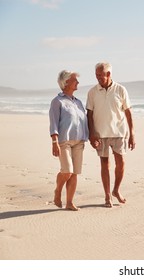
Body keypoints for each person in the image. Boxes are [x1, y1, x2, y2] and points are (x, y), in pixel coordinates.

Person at [86, 62, 135, 208]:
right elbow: (89, 114)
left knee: (121, 163)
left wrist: (132, 134)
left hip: (119, 132)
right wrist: (92, 134)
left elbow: (128, 112)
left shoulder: (121, 90)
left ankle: (116, 190)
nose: (98, 78)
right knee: (105, 164)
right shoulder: (92, 92)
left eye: (101, 75)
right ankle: (107, 195)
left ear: (108, 74)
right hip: (100, 133)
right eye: (96, 75)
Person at [49, 70, 89, 211]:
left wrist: (91, 137)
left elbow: (84, 121)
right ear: (66, 83)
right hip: (64, 141)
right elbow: (53, 123)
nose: (77, 82)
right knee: (67, 171)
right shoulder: (57, 101)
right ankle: (58, 191)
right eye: (74, 80)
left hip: (79, 141)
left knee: (75, 173)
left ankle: (69, 203)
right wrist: (54, 142)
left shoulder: (78, 102)